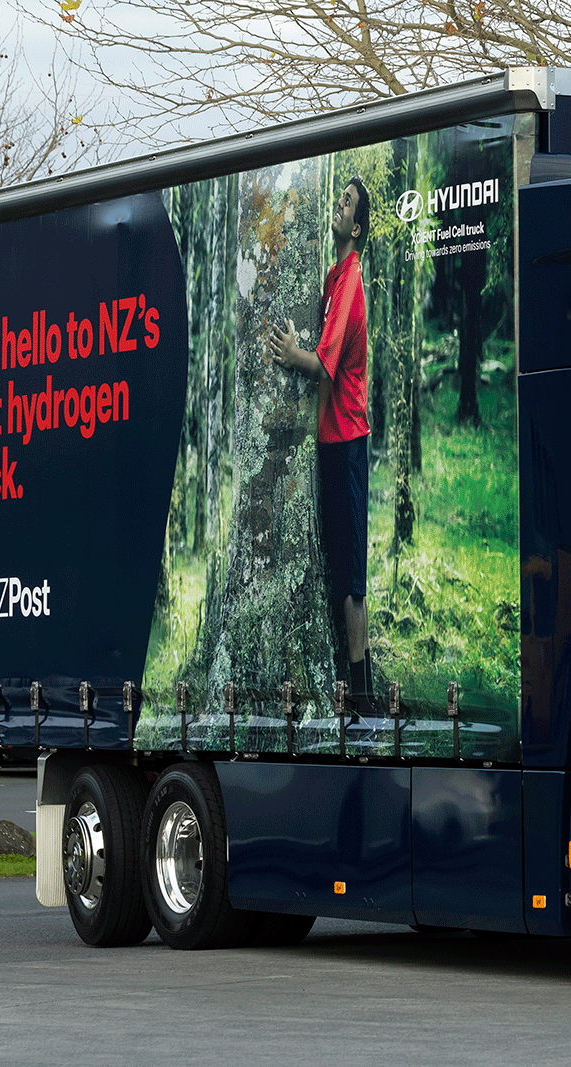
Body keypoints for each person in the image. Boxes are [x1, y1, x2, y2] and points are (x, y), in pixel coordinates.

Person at [266, 176, 375, 703]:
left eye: (347, 203)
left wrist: (292, 354)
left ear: (356, 227)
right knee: (334, 564)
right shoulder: (333, 278)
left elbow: (324, 368)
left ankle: (363, 689)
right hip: (331, 444)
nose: (337, 205)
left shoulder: (350, 279)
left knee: (351, 574)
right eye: (340, 196)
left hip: (348, 442)